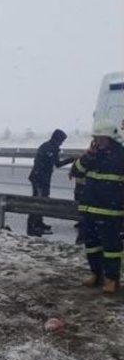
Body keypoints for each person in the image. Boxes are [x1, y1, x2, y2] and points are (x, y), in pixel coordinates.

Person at [73, 121, 124, 295]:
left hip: (110, 211)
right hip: (89, 209)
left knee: (111, 248)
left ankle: (112, 279)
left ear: (110, 138)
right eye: (96, 138)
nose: (98, 141)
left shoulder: (121, 156)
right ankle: (96, 274)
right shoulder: (93, 155)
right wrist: (87, 157)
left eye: (101, 138)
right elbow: (76, 171)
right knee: (91, 245)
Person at [26, 129, 74, 236]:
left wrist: (70, 160)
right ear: (57, 138)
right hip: (39, 179)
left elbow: (56, 164)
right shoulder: (48, 148)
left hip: (44, 179)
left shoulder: (53, 148)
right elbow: (45, 163)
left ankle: (39, 222)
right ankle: (33, 226)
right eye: (61, 140)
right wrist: (70, 160)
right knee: (38, 201)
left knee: (43, 200)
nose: (62, 143)